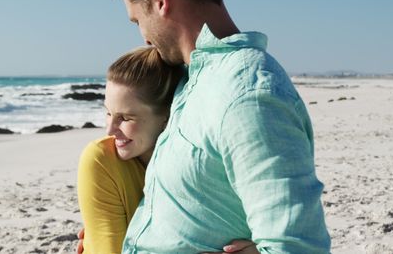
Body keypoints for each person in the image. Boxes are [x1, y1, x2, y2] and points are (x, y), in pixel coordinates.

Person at [107, 0, 331, 253]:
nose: (143, 37)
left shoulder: (247, 94)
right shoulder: (193, 79)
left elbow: (298, 246)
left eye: (137, 20)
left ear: (159, 0)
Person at [77, 47, 258, 254]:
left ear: (167, 115)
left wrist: (260, 249)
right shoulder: (102, 159)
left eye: (126, 118)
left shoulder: (204, 165)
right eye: (108, 113)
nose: (110, 129)